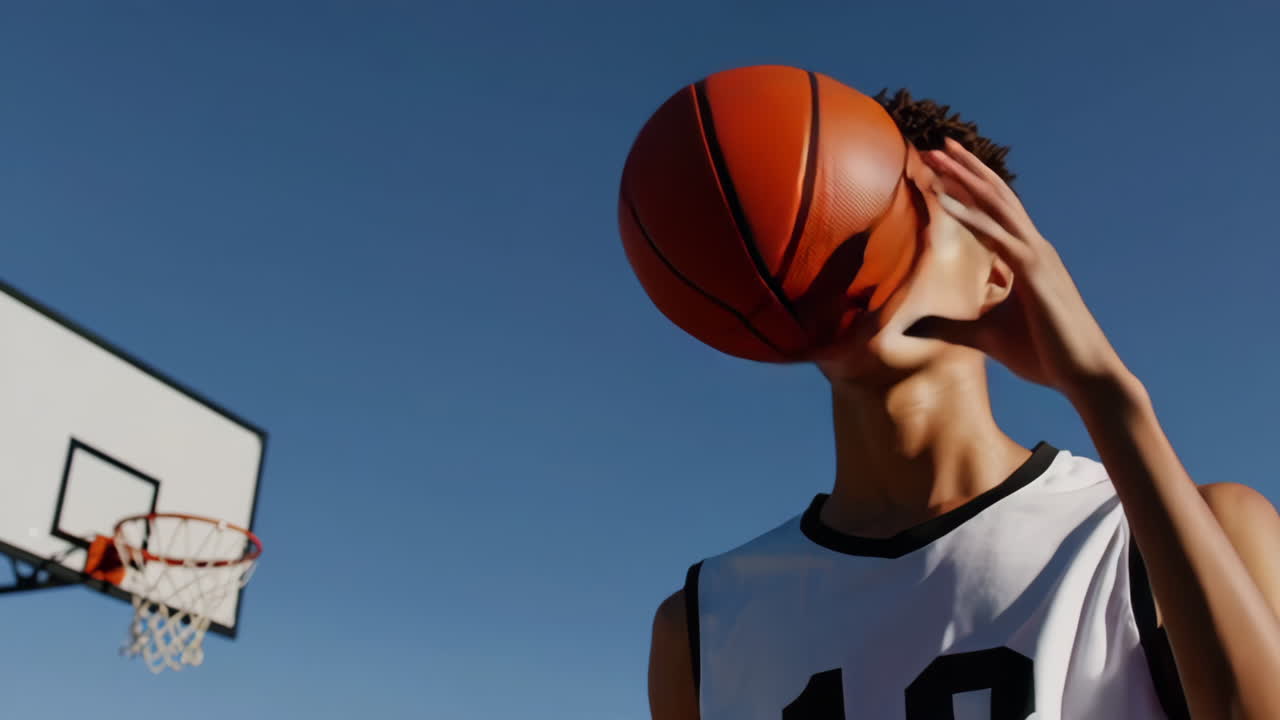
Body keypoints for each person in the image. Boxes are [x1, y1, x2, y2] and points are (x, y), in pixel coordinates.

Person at [647, 90, 1280, 719]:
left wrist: (1107, 395)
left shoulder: (1197, 532)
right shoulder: (702, 625)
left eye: (905, 210)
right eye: (834, 216)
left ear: (999, 271)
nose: (859, 247)